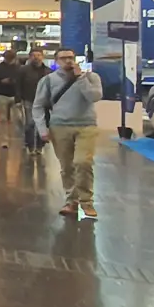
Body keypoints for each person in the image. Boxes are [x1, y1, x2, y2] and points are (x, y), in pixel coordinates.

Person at [35, 48, 102, 219]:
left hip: (86, 126)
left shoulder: (91, 77)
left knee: (83, 162)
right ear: (56, 61)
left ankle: (87, 201)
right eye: (63, 58)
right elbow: (38, 105)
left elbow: (94, 97)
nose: (68, 61)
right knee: (67, 167)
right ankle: (71, 200)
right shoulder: (48, 80)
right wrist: (42, 129)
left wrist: (81, 79)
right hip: (59, 127)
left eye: (71, 57)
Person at [14, 48, 51, 157]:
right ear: (30, 57)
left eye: (38, 55)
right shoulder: (23, 70)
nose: (36, 57)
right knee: (30, 123)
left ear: (42, 56)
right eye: (34, 55)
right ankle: (30, 145)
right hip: (29, 99)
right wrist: (18, 99)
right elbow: (18, 85)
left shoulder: (48, 71)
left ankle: (39, 145)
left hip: (44, 101)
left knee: (42, 123)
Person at [0, 52, 21, 146]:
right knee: (5, 119)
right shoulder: (18, 68)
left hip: (9, 95)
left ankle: (7, 139)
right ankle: (6, 139)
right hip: (4, 94)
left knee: (13, 119)